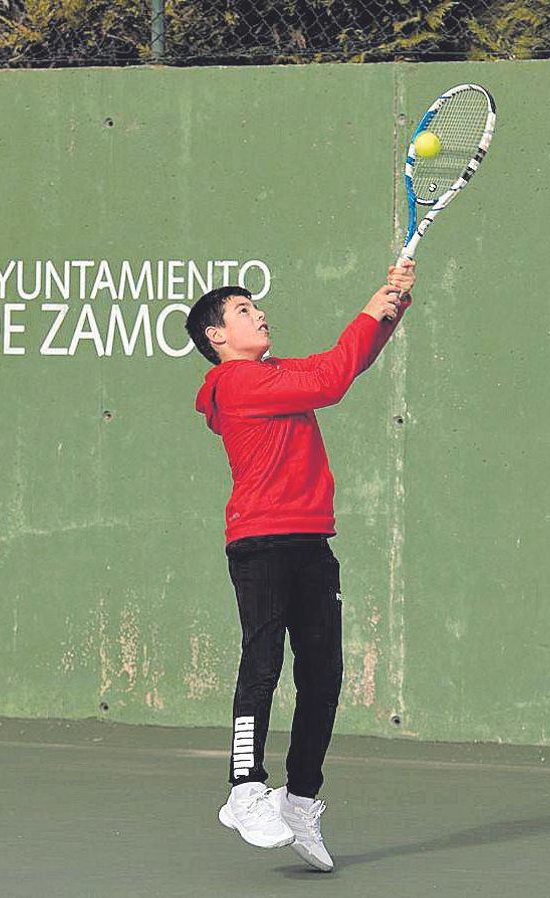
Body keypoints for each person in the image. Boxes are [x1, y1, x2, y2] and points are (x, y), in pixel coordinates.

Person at [184, 261, 415, 872]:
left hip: (311, 541)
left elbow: (347, 363)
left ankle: (301, 798)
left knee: (323, 675)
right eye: (242, 311)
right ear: (216, 336)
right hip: (260, 544)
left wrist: (387, 309)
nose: (258, 314)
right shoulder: (234, 386)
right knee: (263, 663)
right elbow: (333, 380)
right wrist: (372, 307)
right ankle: (244, 789)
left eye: (254, 307)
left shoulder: (278, 373)